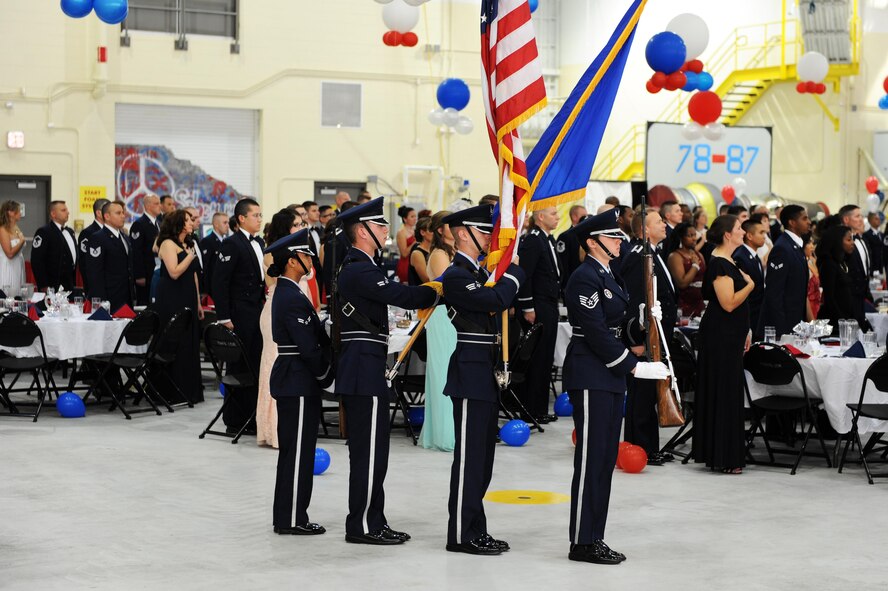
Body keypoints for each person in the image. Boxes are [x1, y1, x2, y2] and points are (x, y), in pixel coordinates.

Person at [562, 209, 669, 564]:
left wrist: (642, 326)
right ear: (593, 243)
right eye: (612, 238)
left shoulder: (611, 275)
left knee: (606, 458)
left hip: (608, 373)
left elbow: (617, 327)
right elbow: (593, 330)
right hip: (592, 371)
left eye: (619, 237)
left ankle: (595, 536)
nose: (619, 242)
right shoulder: (584, 277)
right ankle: (581, 541)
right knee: (592, 458)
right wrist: (632, 366)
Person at [334, 197, 437, 545]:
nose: (385, 232)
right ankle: (363, 525)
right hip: (363, 369)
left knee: (376, 452)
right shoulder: (359, 268)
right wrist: (437, 288)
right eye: (379, 226)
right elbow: (402, 296)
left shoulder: (362, 265)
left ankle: (373, 519)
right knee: (368, 453)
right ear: (362, 232)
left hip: (366, 365)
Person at [440, 205, 524, 556]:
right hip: (470, 371)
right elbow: (493, 299)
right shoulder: (457, 274)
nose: (492, 238)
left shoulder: (479, 271)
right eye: (484, 231)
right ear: (463, 234)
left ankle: (476, 527)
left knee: (483, 459)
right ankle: (460, 533)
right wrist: (514, 274)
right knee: (470, 458)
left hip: (485, 370)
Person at [266, 229, 333, 537]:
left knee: (297, 451)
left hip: (294, 376)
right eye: (305, 255)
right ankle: (292, 518)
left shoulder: (289, 291)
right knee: (297, 452)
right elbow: (307, 346)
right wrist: (325, 374)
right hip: (297, 377)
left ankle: (290, 515)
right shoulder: (290, 295)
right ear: (292, 261)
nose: (310, 260)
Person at [693, 215, 754, 474]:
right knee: (724, 391)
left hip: (731, 334)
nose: (743, 232)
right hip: (721, 336)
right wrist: (750, 285)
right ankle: (724, 455)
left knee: (729, 391)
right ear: (728, 234)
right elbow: (728, 303)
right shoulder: (719, 264)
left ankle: (723, 452)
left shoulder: (730, 261)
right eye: (739, 228)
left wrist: (746, 329)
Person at [621, 209, 677, 466]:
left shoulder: (653, 252)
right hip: (645, 337)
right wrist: (635, 338)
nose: (664, 225)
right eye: (658, 221)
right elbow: (634, 301)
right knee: (641, 394)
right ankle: (641, 447)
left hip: (657, 334)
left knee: (649, 392)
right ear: (643, 229)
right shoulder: (637, 257)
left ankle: (649, 446)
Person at [212, 198, 266, 434]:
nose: (260, 219)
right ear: (242, 218)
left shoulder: (260, 242)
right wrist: (224, 316)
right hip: (239, 314)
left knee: (254, 365)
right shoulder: (232, 244)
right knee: (238, 366)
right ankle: (234, 421)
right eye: (255, 215)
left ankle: (252, 417)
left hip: (256, 312)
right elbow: (219, 282)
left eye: (261, 215)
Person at [256, 209, 301, 448]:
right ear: (286, 227)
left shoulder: (300, 250)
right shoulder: (272, 252)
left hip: (297, 308)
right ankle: (272, 429)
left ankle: (290, 425)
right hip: (276, 310)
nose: (300, 226)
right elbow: (277, 282)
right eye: (296, 224)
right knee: (273, 364)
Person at [153, 209, 204, 404]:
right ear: (178, 224)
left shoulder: (188, 244)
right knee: (174, 338)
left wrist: (198, 301)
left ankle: (189, 390)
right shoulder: (167, 243)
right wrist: (189, 258)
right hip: (172, 296)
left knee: (189, 341)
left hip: (189, 295)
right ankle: (169, 391)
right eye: (188, 221)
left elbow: (193, 275)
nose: (191, 223)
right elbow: (174, 272)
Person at [516, 206, 561, 423]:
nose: (558, 217)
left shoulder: (547, 239)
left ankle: (540, 408)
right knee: (537, 359)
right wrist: (527, 307)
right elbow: (525, 275)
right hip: (539, 305)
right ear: (540, 217)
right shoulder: (534, 239)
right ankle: (531, 409)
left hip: (549, 304)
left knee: (545, 359)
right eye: (553, 214)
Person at [420, 211, 456, 452]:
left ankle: (454, 428)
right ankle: (444, 434)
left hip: (454, 317)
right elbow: (449, 286)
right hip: (442, 316)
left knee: (454, 371)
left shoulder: (454, 252)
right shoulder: (439, 254)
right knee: (444, 372)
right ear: (441, 229)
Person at [759, 205, 810, 339]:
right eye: (804, 218)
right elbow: (774, 293)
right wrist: (782, 332)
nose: (809, 222)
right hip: (783, 327)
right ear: (792, 222)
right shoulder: (782, 248)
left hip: (795, 324)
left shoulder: (796, 246)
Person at [817, 223, 871, 332]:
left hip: (848, 319)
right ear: (837, 241)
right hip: (836, 324)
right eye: (848, 240)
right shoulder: (829, 265)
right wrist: (843, 323)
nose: (853, 243)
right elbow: (830, 298)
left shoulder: (842, 262)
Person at [85, 201, 135, 311]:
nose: (123, 216)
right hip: (109, 298)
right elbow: (94, 272)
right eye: (118, 213)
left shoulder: (124, 237)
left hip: (126, 298)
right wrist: (101, 301)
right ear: (107, 216)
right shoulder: (98, 238)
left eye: (123, 212)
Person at [732, 217, 768, 339]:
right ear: (749, 236)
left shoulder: (754, 256)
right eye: (761, 232)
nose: (765, 236)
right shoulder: (741, 256)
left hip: (757, 315)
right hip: (748, 315)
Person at [31, 201, 77, 292]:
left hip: (69, 284)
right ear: (53, 214)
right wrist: (43, 285)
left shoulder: (70, 232)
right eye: (63, 210)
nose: (68, 212)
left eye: (67, 210)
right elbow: (37, 260)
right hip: (52, 285)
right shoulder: (44, 232)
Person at [839, 204, 874, 318]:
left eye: (861, 216)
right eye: (857, 216)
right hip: (848, 298)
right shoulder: (840, 243)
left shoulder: (863, 240)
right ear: (846, 219)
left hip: (864, 296)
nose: (861, 219)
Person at [666, 222, 706, 317]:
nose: (694, 238)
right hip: (684, 304)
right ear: (681, 237)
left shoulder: (699, 254)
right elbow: (682, 283)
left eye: (695, 234)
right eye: (690, 235)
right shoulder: (675, 256)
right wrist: (695, 266)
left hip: (700, 303)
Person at [131, 194, 162, 305]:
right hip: (146, 272)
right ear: (148, 206)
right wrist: (139, 275)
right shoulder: (139, 224)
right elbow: (136, 251)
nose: (160, 206)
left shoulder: (158, 223)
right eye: (156, 204)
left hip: (157, 271)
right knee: (145, 303)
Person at [556, 205, 588, 290]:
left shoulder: (586, 235)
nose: (586, 218)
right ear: (574, 216)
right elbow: (563, 264)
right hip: (572, 283)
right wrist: (566, 286)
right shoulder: (565, 237)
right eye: (584, 215)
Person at [199, 212, 229, 300]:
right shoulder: (207, 242)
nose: (227, 225)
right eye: (224, 223)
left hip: (223, 286)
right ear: (216, 224)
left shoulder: (226, 242)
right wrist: (205, 290)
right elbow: (206, 267)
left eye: (228, 222)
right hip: (212, 289)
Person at [0, 200, 26, 296]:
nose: (20, 213)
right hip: (8, 266)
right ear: (10, 213)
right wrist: (21, 241)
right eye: (18, 211)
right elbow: (9, 253)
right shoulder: (2, 230)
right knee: (9, 294)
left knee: (19, 294)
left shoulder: (15, 227)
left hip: (18, 265)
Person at [408, 216, 432, 286]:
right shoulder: (417, 253)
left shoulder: (434, 250)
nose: (434, 232)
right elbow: (427, 279)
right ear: (422, 232)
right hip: (421, 293)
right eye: (431, 229)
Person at [395, 206, 417, 284]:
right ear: (405, 219)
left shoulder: (415, 230)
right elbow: (404, 253)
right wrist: (415, 242)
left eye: (415, 216)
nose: (415, 218)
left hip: (415, 262)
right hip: (406, 265)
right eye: (412, 216)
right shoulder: (401, 232)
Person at [805, 235, 821, 320]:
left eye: (812, 243)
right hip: (808, 306)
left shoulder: (812, 260)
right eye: (808, 243)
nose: (812, 246)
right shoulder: (803, 264)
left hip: (816, 304)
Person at [864, 212, 884, 277]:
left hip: (881, 266)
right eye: (876, 219)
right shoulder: (867, 235)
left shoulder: (881, 234)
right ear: (870, 220)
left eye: (879, 219)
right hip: (873, 267)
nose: (879, 220)